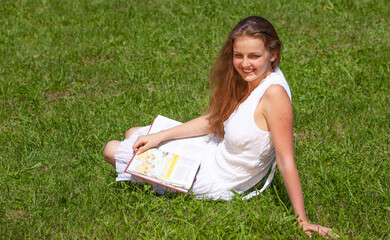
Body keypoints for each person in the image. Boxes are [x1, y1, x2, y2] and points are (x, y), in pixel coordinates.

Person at [103, 16, 338, 238]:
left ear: (273, 54)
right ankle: (156, 171)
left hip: (218, 178)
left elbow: (286, 160)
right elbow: (213, 120)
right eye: (239, 55)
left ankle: (163, 187)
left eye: (254, 56)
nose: (245, 64)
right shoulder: (251, 78)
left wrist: (302, 220)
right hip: (214, 150)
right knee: (134, 135)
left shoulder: (274, 94)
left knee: (112, 149)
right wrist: (160, 136)